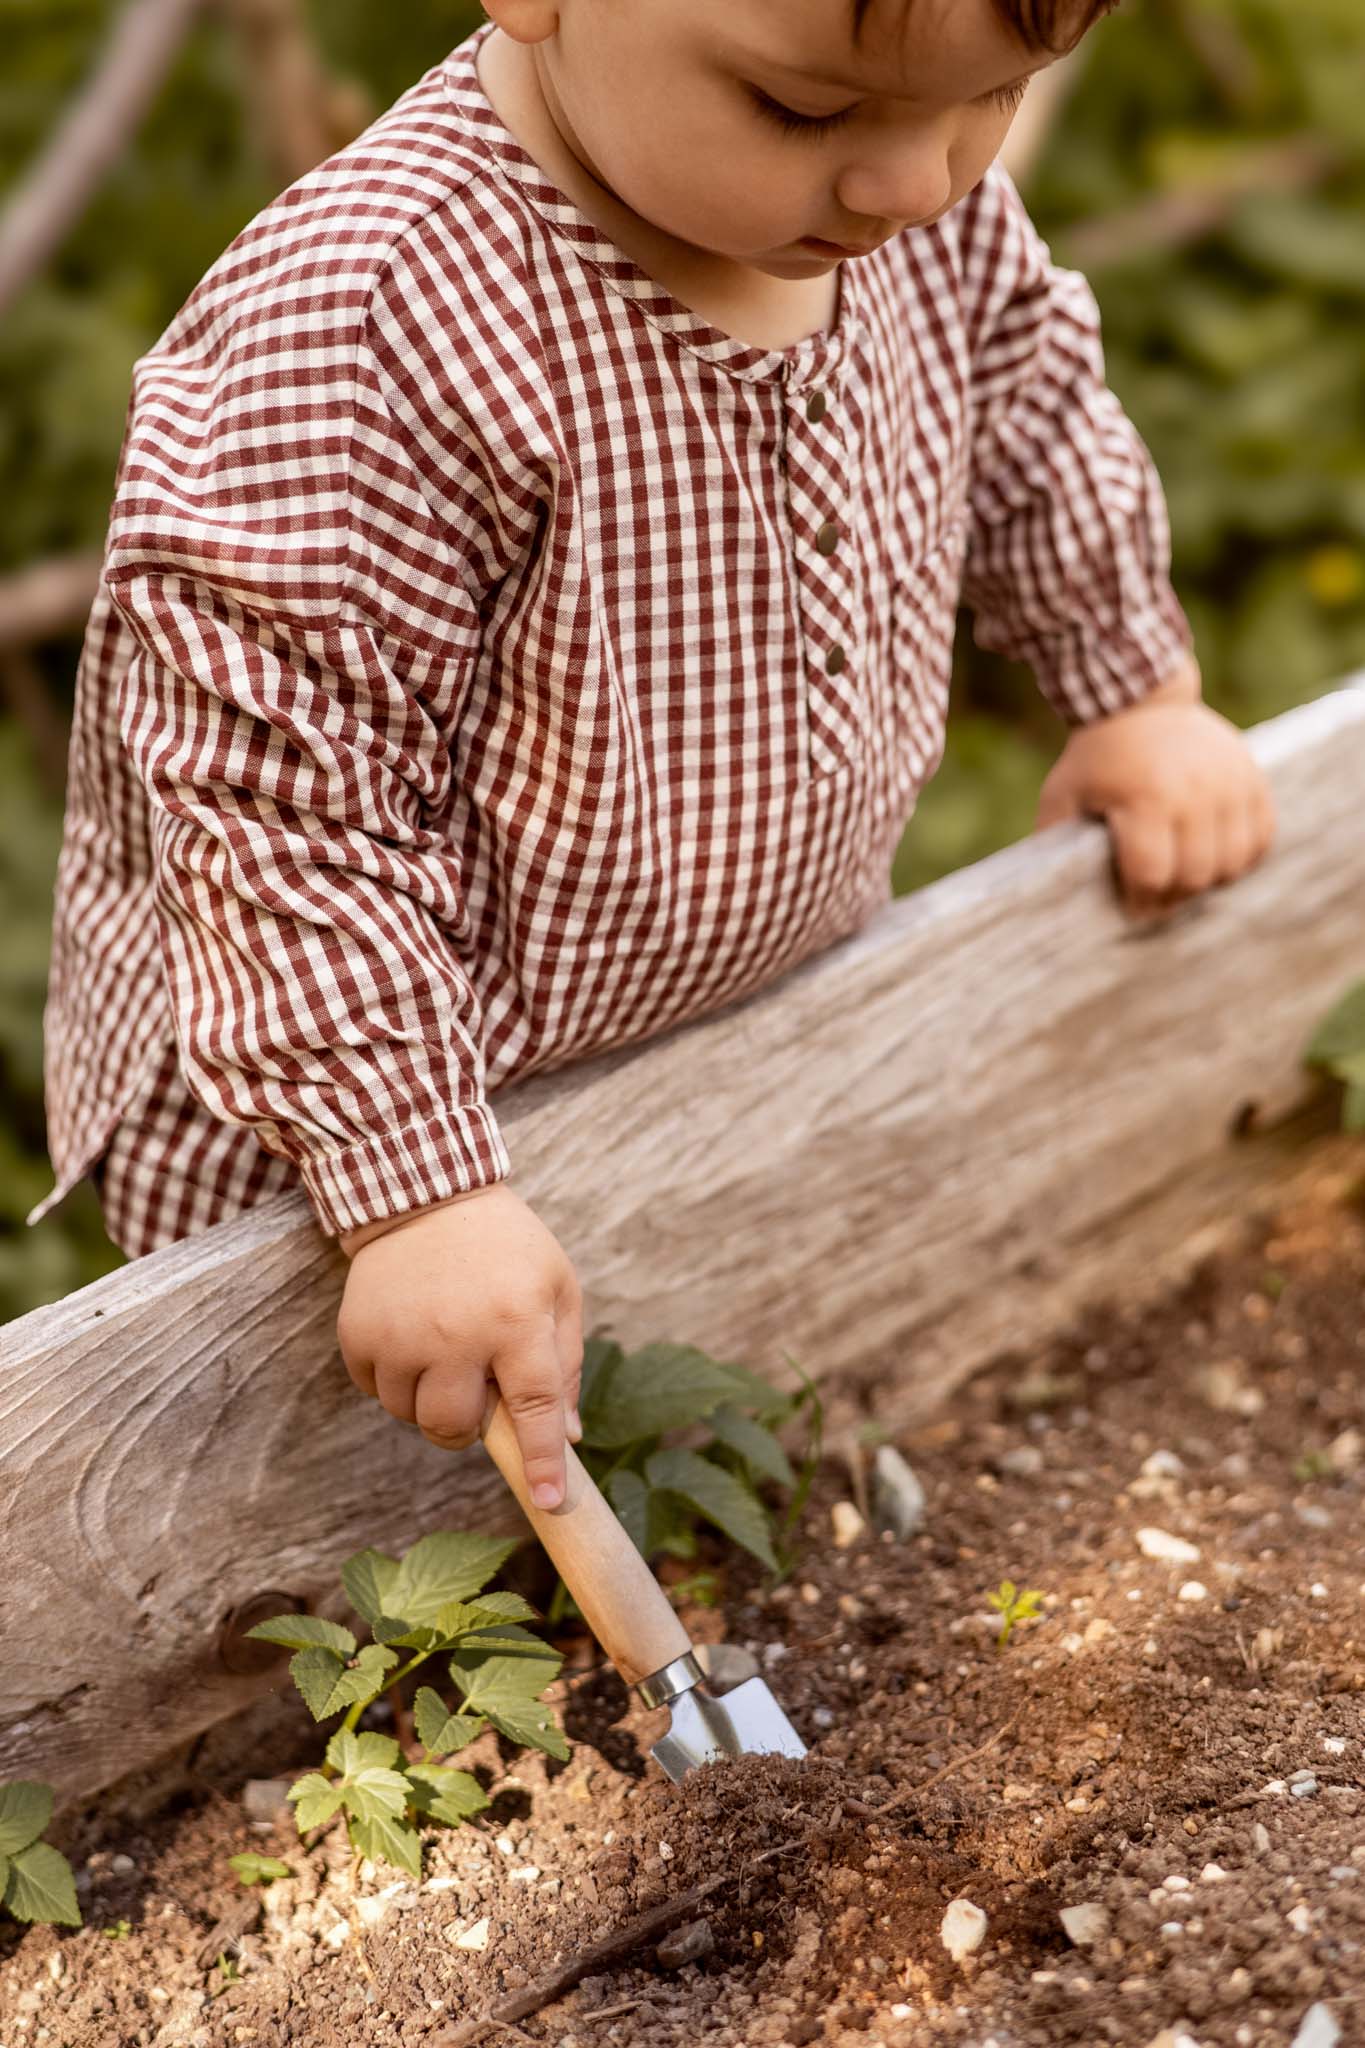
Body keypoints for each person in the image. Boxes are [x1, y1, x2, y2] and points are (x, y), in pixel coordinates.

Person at [35, 0, 1276, 1517]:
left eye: (992, 97)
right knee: (322, 1515)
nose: (907, 181)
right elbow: (278, 798)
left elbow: (1026, 399)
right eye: (799, 111)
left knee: (692, 1369)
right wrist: (414, 1187)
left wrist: (1130, 684)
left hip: (715, 1018)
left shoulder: (908, 207)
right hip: (365, 1116)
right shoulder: (375, 325)